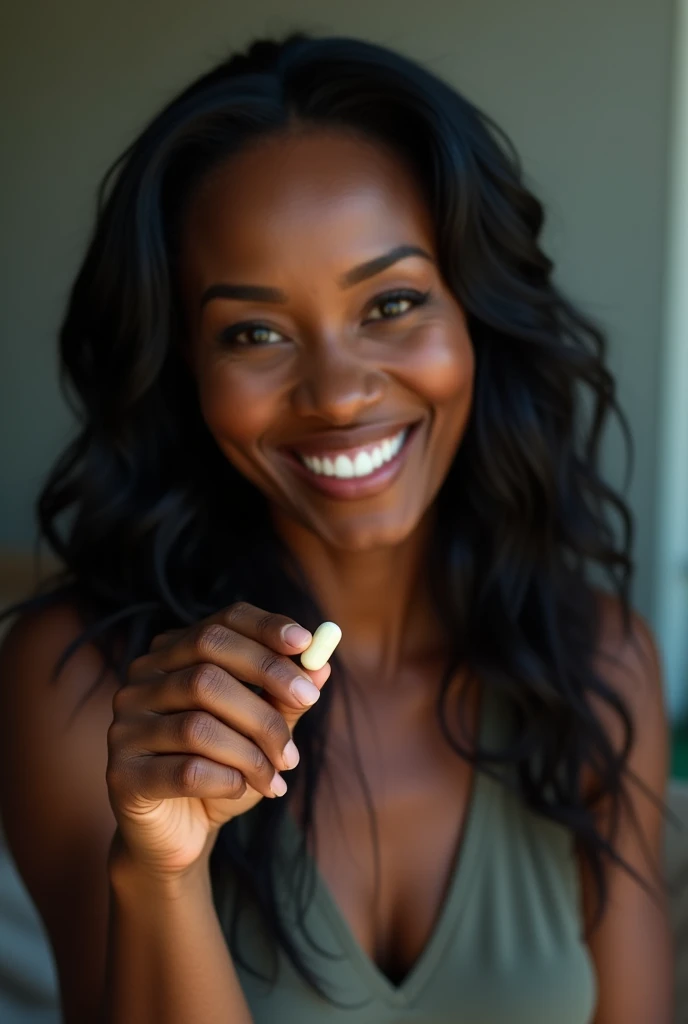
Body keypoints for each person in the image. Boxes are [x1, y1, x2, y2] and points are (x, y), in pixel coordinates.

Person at [0, 32, 674, 1024]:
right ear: (184, 366)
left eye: (391, 302)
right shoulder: (82, 685)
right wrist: (161, 869)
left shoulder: (599, 664)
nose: (339, 393)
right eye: (255, 332)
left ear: (475, 314)